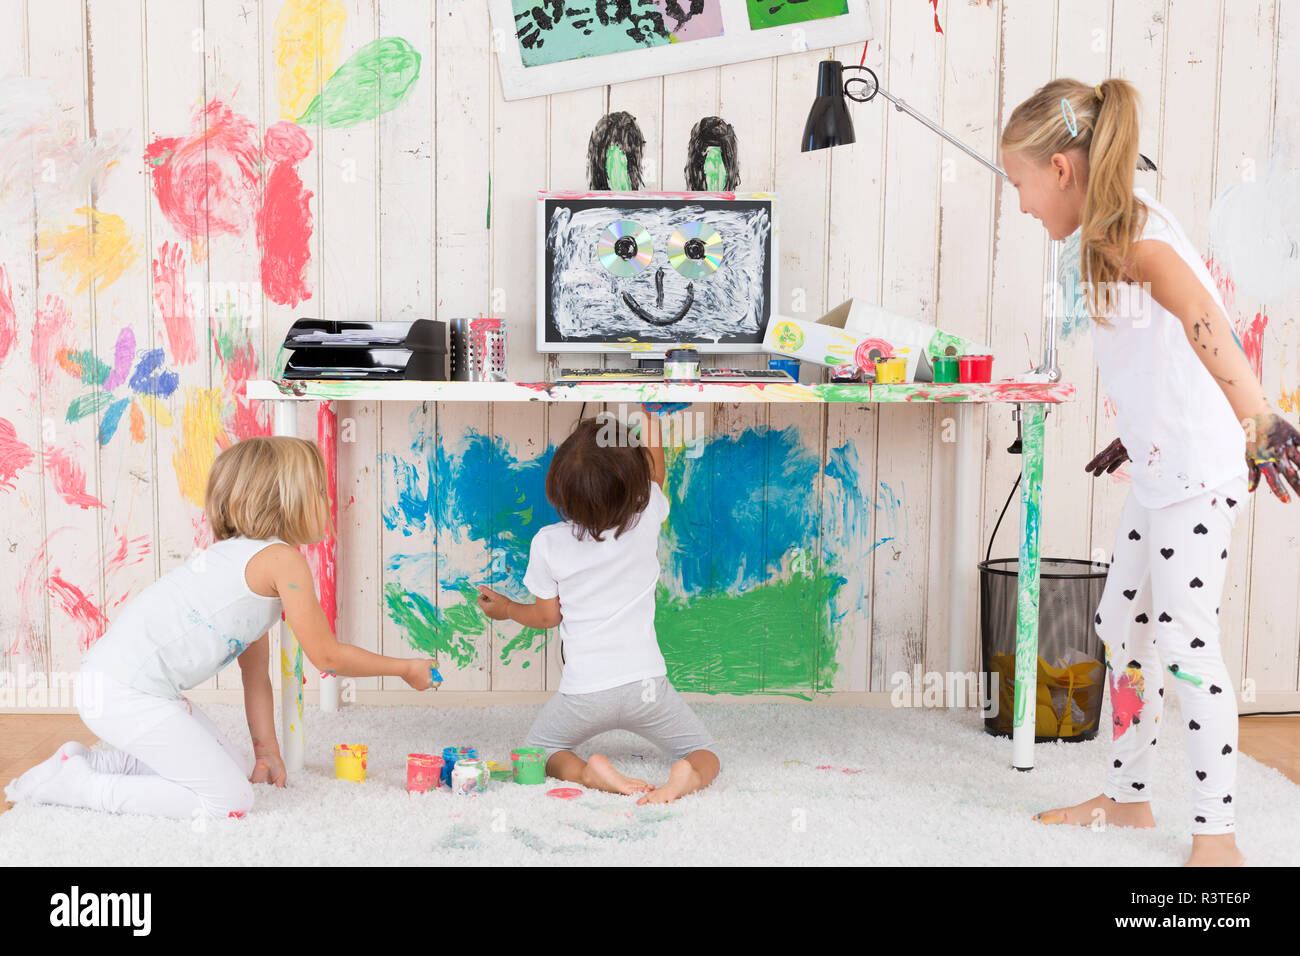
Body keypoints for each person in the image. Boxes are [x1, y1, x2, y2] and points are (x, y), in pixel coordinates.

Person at [1000, 77, 1300, 867]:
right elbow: (1164, 355)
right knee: (1119, 627)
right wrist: (1138, 434)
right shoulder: (1101, 238)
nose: (1023, 205)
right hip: (1161, 468)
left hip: (1198, 478)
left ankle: (1218, 834)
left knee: (1186, 645)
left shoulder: (1134, 237)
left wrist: (1256, 416)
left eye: (1021, 185)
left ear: (1061, 170)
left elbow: (1206, 326)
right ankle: (1129, 801)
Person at [4, 436, 437, 819]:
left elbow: (255, 674)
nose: (329, 499)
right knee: (229, 800)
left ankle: (87, 763)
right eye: (319, 490)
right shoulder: (281, 561)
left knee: (231, 771)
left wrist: (266, 752)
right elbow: (325, 656)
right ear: (285, 500)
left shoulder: (246, 563)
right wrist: (404, 668)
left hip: (133, 689)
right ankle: (83, 788)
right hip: (121, 693)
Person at [477, 410, 720, 804]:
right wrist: (650, 419)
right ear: (635, 488)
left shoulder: (548, 543)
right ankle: (684, 779)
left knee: (537, 754)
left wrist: (505, 609)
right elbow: (657, 478)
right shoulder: (646, 517)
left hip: (585, 693)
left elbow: (545, 617)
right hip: (647, 689)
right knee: (707, 755)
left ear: (560, 490)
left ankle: (589, 772)